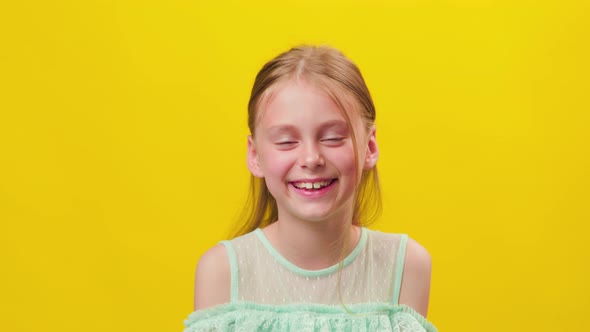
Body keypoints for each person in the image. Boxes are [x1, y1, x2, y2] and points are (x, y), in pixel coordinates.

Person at [184, 45, 437, 331]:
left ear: (370, 146)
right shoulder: (221, 271)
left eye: (332, 138)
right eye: (286, 142)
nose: (311, 159)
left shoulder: (406, 266)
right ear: (255, 156)